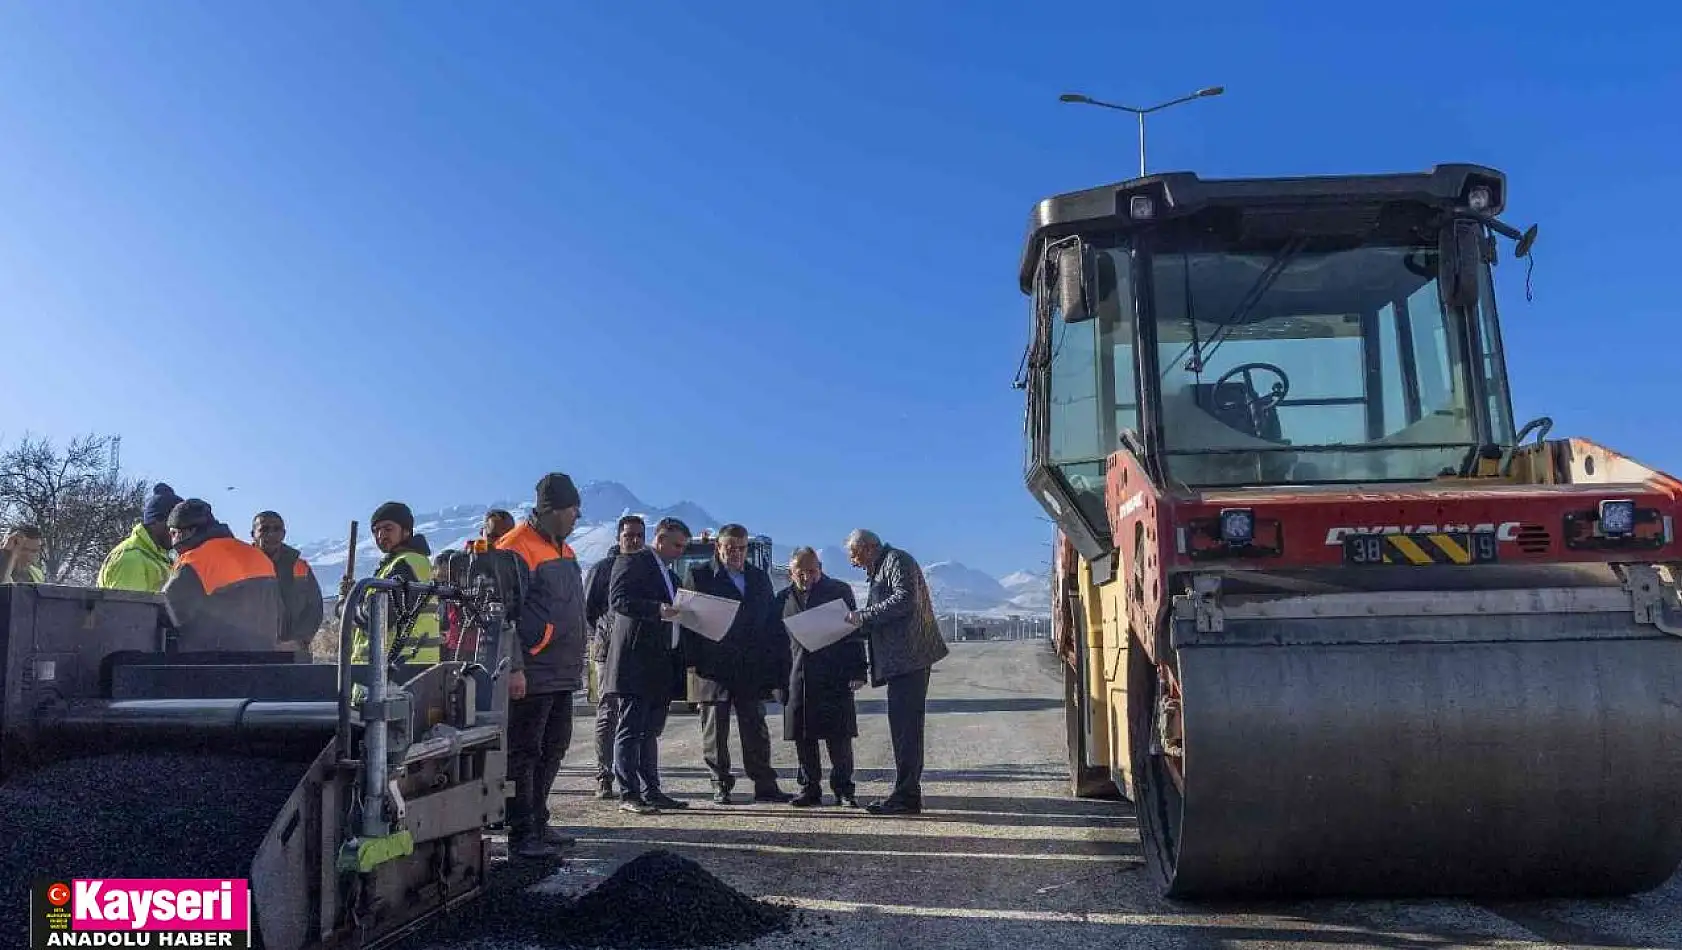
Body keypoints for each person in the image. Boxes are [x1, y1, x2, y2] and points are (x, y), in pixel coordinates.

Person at [495, 474, 589, 860]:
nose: (577, 517)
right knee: (524, 752)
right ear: (551, 510)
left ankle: (538, 820)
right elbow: (500, 614)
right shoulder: (514, 547)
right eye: (572, 510)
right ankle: (520, 832)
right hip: (531, 672)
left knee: (554, 747)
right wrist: (515, 666)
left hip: (562, 672)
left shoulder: (565, 551)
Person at [682, 523, 791, 804]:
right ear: (718, 547)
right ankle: (720, 783)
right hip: (713, 667)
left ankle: (764, 784)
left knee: (755, 726)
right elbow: (688, 623)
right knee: (715, 730)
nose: (736, 554)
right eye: (730, 547)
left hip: (750, 666)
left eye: (741, 548)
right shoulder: (699, 575)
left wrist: (773, 665)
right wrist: (692, 664)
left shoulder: (758, 578)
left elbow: (770, 623)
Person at [845, 528, 948, 816]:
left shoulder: (896, 561)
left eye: (854, 555)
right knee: (902, 729)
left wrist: (862, 617)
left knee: (906, 730)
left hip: (909, 659)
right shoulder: (885, 564)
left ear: (867, 548)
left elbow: (904, 600)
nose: (853, 563)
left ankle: (906, 795)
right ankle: (906, 792)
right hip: (903, 661)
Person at [602, 516, 692, 815]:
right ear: (661, 538)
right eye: (677, 545)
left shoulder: (671, 576)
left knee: (650, 731)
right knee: (630, 729)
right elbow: (619, 600)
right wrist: (657, 609)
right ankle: (629, 793)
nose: (680, 551)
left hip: (659, 665)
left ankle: (651, 789)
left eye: (684, 547)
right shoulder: (634, 561)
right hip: (635, 663)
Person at [777, 546, 867, 808]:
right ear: (790, 573)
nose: (806, 577)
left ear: (820, 569)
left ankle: (844, 789)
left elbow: (853, 634)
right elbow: (775, 644)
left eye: (812, 571)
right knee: (803, 738)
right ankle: (809, 789)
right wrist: (776, 682)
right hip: (798, 677)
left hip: (834, 676)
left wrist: (859, 671)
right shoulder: (782, 599)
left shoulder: (838, 591)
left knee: (838, 738)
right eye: (800, 573)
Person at [162, 499, 285, 652]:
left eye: (174, 533)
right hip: (265, 660)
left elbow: (169, 612)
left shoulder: (194, 561)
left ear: (189, 531)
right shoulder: (259, 557)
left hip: (214, 665)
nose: (172, 540)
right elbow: (279, 614)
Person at [583, 514, 646, 800]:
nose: (633, 541)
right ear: (618, 537)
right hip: (606, 649)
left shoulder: (647, 568)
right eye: (628, 535)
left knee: (634, 716)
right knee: (608, 712)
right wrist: (605, 632)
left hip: (637, 651)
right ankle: (603, 775)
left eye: (638, 536)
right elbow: (589, 609)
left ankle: (631, 777)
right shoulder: (603, 569)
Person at [343, 502, 443, 668]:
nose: (381, 535)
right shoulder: (401, 563)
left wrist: (347, 604)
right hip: (406, 666)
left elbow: (378, 618)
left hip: (396, 671)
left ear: (406, 531)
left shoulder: (406, 564)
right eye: (376, 531)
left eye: (388, 529)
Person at [251, 511, 325, 655]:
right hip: (248, 654)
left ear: (284, 534)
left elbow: (314, 609)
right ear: (253, 534)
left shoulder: (300, 568)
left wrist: (298, 641)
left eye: (276, 529)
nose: (271, 534)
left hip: (293, 655)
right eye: (264, 529)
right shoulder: (241, 565)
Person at [97, 482, 183, 592]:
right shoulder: (132, 560)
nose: (179, 534)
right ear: (156, 521)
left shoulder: (158, 558)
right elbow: (129, 608)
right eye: (176, 527)